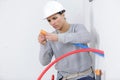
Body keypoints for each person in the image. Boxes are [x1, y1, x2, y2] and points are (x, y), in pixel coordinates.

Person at [38, 1, 95, 80]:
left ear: (63, 14)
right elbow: (44, 62)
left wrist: (59, 38)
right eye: (49, 20)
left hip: (84, 76)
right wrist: (43, 44)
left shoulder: (78, 28)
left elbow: (87, 37)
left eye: (54, 18)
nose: (52, 23)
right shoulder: (51, 37)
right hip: (64, 77)